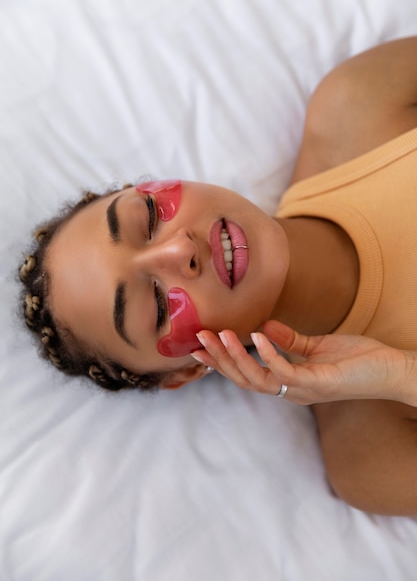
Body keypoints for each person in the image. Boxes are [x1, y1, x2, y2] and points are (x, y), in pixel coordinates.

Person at [19, 37, 417, 516]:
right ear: (188, 369)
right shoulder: (371, 456)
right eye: (159, 303)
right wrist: (401, 376)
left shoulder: (358, 104)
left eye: (147, 217)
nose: (179, 248)